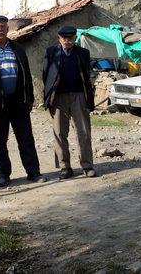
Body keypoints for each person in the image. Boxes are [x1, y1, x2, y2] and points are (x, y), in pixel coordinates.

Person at [0, 15, 46, 187]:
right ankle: (4, 175)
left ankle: (33, 172)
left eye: (3, 26)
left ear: (8, 29)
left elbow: (26, 75)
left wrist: (29, 98)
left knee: (26, 138)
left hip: (18, 102)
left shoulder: (18, 49)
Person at [43, 25, 96, 179]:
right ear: (59, 39)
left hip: (78, 96)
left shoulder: (83, 53)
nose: (67, 41)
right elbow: (45, 75)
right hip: (58, 97)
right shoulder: (51, 52)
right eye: (64, 38)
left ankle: (87, 165)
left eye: (70, 38)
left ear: (75, 38)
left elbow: (86, 76)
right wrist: (48, 96)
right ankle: (64, 167)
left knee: (83, 131)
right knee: (59, 132)